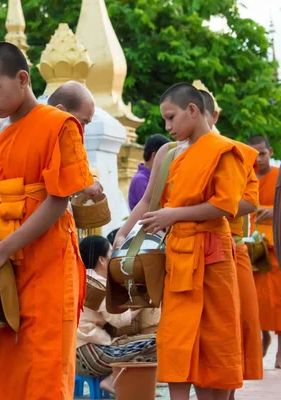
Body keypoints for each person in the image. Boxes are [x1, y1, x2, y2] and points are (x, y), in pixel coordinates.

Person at [0, 42, 99, 399]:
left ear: (22, 79)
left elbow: (58, 200)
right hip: (4, 271)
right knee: (7, 374)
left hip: (48, 266)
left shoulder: (60, 125)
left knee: (46, 375)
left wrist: (2, 249)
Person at [113, 83, 245, 400]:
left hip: (212, 256)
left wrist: (174, 215)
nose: (168, 127)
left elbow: (225, 205)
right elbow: (148, 201)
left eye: (171, 118)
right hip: (178, 258)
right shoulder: (169, 153)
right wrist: (124, 232)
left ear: (192, 110)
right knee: (176, 340)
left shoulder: (223, 150)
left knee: (215, 343)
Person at [199, 90, 263, 388]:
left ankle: (228, 386)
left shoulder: (233, 152)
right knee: (199, 333)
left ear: (212, 115)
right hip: (190, 249)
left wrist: (212, 205)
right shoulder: (176, 153)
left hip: (230, 246)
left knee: (238, 325)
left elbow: (249, 202)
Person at [76, 236, 156, 395]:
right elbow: (121, 321)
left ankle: (128, 382)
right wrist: (146, 300)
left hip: (74, 355)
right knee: (160, 342)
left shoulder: (79, 278)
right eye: (112, 253)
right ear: (102, 260)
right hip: (92, 355)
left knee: (133, 342)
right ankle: (112, 380)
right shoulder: (99, 283)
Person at [247, 135, 281, 367]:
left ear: (270, 151)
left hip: (275, 247)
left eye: (262, 153)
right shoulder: (245, 177)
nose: (258, 159)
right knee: (255, 299)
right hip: (251, 246)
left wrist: (272, 210)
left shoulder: (278, 177)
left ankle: (280, 350)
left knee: (277, 300)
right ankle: (264, 336)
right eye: (253, 154)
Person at [127, 134, 171, 211]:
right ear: (154, 155)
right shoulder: (140, 180)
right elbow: (150, 209)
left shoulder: (153, 177)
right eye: (168, 157)